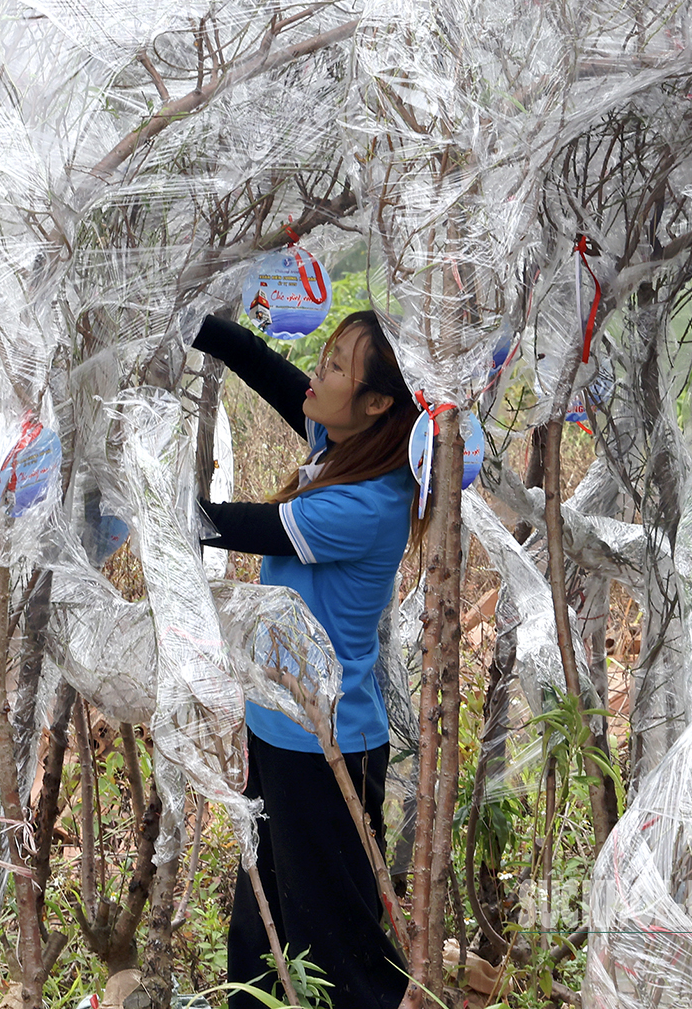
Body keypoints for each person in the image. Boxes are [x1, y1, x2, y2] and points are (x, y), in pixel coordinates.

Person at [191, 309, 424, 1009]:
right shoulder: (342, 445)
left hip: (327, 751)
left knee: (341, 949)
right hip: (280, 726)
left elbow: (231, 524)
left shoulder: (366, 503)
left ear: (378, 402)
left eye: (334, 368)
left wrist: (134, 492)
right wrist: (199, 323)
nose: (315, 377)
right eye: (323, 359)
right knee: (261, 930)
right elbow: (274, 375)